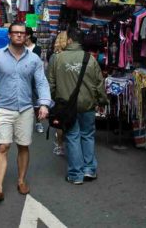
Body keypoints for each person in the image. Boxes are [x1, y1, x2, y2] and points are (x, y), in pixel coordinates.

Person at [0, 22, 51, 202]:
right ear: (9, 35)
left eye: (22, 33)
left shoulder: (34, 59)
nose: (19, 36)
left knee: (23, 145)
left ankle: (21, 180)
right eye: (15, 33)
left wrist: (43, 104)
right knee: (3, 146)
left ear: (26, 36)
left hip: (26, 109)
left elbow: (41, 82)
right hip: (3, 108)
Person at [48, 27, 107, 184]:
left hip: (67, 107)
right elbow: (99, 83)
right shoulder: (91, 59)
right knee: (87, 135)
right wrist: (101, 100)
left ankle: (75, 174)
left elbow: (51, 83)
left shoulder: (57, 59)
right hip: (87, 105)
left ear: (70, 40)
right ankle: (89, 169)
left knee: (72, 137)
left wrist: (55, 100)